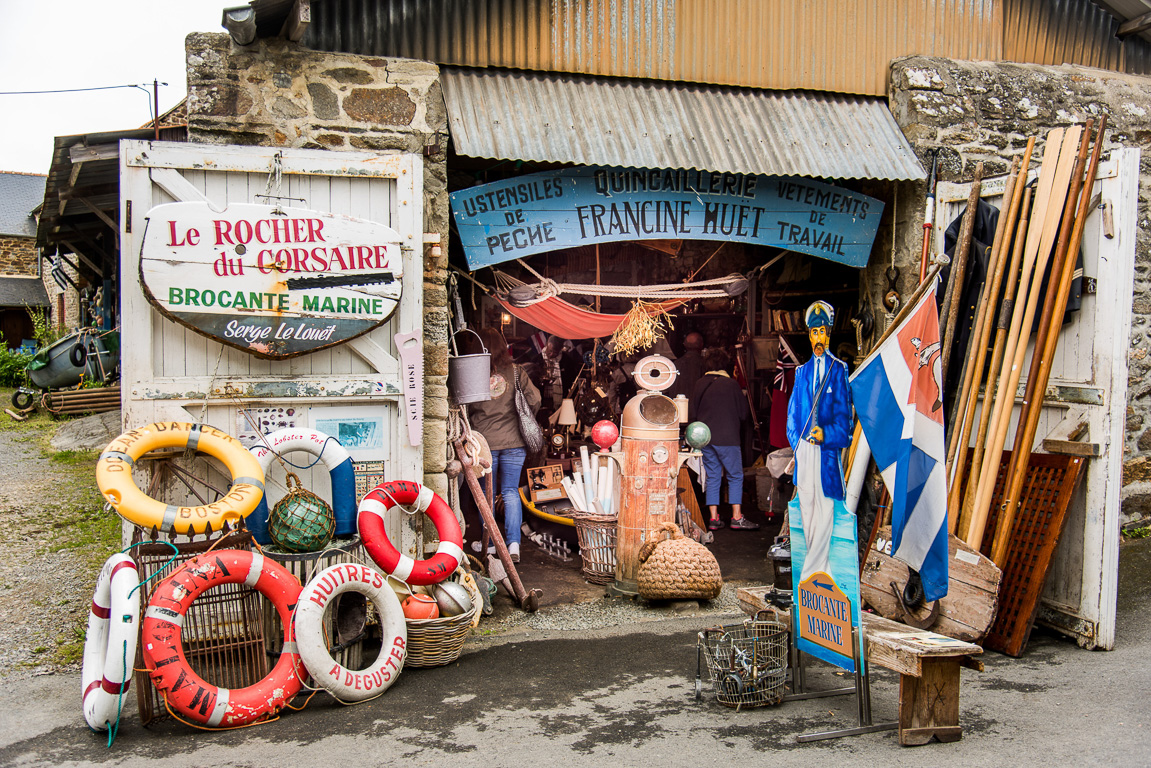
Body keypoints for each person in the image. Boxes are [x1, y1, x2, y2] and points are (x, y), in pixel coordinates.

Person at [786, 301, 853, 581]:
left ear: (829, 334)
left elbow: (845, 419)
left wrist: (826, 434)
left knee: (826, 506)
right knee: (807, 504)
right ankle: (815, 570)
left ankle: (814, 573)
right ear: (809, 335)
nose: (818, 337)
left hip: (825, 453)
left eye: (823, 331)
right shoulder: (801, 373)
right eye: (814, 332)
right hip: (805, 451)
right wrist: (798, 443)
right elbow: (792, 415)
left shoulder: (839, 371)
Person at [466, 327, 541, 562]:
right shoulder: (517, 372)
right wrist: (522, 415)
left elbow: (463, 408)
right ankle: (514, 544)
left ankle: (489, 545)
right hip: (513, 442)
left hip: (483, 445)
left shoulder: (472, 373)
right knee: (510, 492)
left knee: (485, 496)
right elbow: (536, 399)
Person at [689, 347, 757, 530]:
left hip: (706, 439)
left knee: (712, 477)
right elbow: (744, 414)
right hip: (729, 439)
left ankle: (713, 518)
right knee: (735, 476)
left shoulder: (699, 384)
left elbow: (692, 413)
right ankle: (736, 517)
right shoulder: (732, 385)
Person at [673, 332, 705, 398]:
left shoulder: (675, 364)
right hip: (697, 405)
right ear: (701, 345)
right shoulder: (704, 364)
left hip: (677, 404)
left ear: (684, 345)